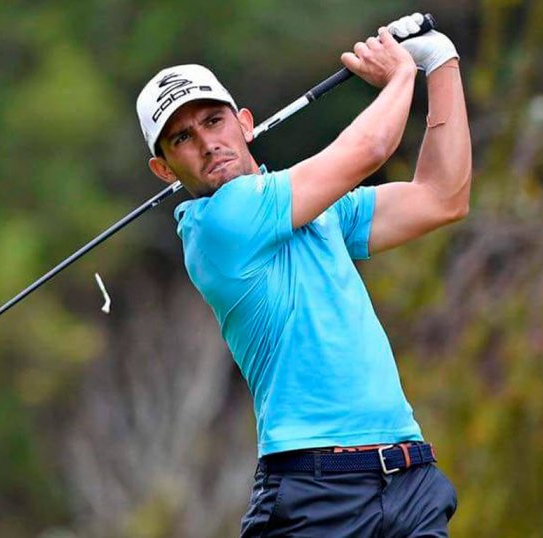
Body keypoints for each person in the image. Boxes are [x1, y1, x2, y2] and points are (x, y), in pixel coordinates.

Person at [136, 13, 471, 537]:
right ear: (164, 170)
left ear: (245, 123)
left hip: (408, 477)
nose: (206, 144)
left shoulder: (316, 209)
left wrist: (442, 62)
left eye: (214, 121)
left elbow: (442, 197)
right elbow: (370, 150)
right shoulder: (219, 223)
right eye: (182, 138)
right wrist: (403, 74)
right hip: (317, 489)